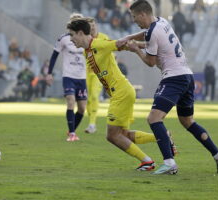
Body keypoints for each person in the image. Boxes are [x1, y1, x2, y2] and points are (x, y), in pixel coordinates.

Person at [124, 0, 218, 174]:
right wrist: (131, 40)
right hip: (187, 76)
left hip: (174, 78)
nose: (135, 21)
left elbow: (150, 61)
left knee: (154, 119)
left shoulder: (152, 32)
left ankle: (169, 163)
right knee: (187, 121)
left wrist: (136, 50)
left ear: (142, 14)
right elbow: (149, 38)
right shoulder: (162, 22)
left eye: (135, 17)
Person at [67, 18, 160, 171]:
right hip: (119, 92)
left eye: (72, 35)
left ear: (80, 33)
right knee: (123, 134)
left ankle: (147, 161)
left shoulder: (98, 43)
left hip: (121, 93)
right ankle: (162, 137)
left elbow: (119, 44)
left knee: (112, 135)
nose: (71, 39)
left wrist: (146, 44)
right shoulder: (87, 51)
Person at [46, 13, 87, 142]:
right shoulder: (63, 39)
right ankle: (72, 134)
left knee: (82, 108)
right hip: (68, 76)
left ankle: (71, 129)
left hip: (82, 77)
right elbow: (54, 56)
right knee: (70, 101)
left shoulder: (85, 39)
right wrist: (49, 73)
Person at [84, 17, 108, 134]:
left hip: (99, 73)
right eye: (89, 25)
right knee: (88, 99)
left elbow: (110, 53)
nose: (92, 27)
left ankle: (92, 124)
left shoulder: (104, 38)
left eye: (93, 24)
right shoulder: (86, 40)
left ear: (96, 25)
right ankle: (91, 121)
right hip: (87, 72)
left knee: (94, 96)